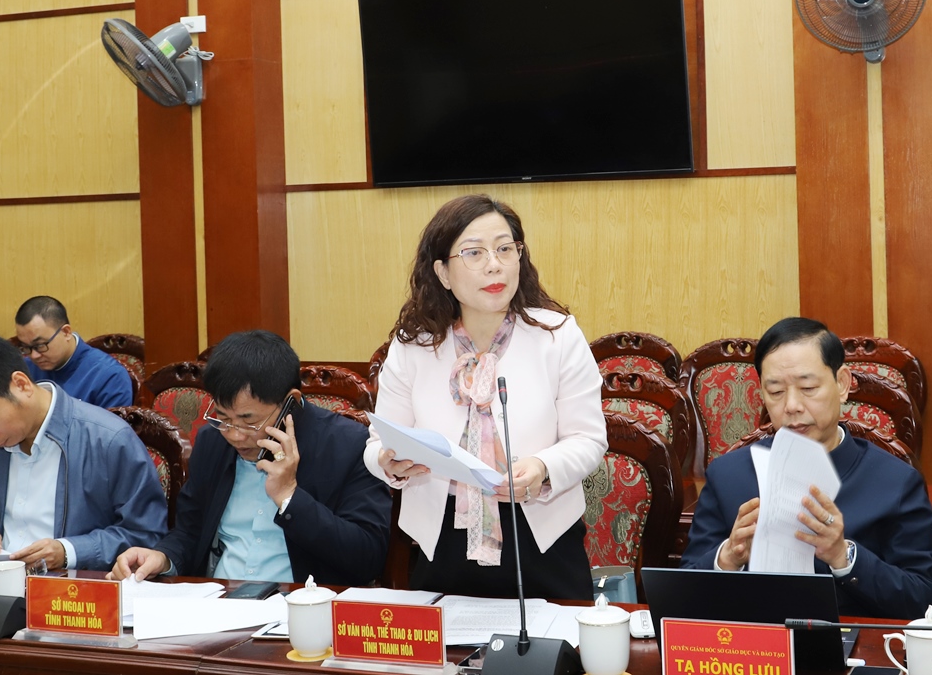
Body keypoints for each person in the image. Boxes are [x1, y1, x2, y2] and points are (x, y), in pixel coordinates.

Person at [364, 195, 606, 600]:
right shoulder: (413, 347)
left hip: (540, 532)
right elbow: (377, 444)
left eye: (505, 249)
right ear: (442, 272)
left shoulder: (558, 336)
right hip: (441, 536)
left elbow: (589, 439)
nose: (494, 265)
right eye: (474, 253)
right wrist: (389, 462)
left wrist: (543, 466)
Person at [680, 317, 932, 619]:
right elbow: (681, 593)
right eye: (776, 392)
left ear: (842, 384)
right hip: (754, 642)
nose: (792, 406)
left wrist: (845, 557)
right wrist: (728, 557)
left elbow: (925, 602)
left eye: (808, 387)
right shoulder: (727, 476)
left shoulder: (896, 482)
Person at [109, 330, 392, 586]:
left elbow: (367, 558)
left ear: (291, 402)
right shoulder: (212, 441)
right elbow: (190, 533)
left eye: (249, 421)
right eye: (223, 417)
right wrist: (162, 557)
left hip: (304, 606)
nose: (234, 435)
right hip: (219, 601)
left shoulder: (347, 446)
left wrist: (289, 497)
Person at [0, 332, 167, 571]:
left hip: (75, 587)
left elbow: (146, 534)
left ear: (21, 385)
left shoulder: (108, 438)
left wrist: (69, 552)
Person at [14, 295, 133, 409]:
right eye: (26, 347)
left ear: (66, 332)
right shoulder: (23, 370)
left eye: (40, 345)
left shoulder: (110, 376)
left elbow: (113, 424)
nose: (34, 356)